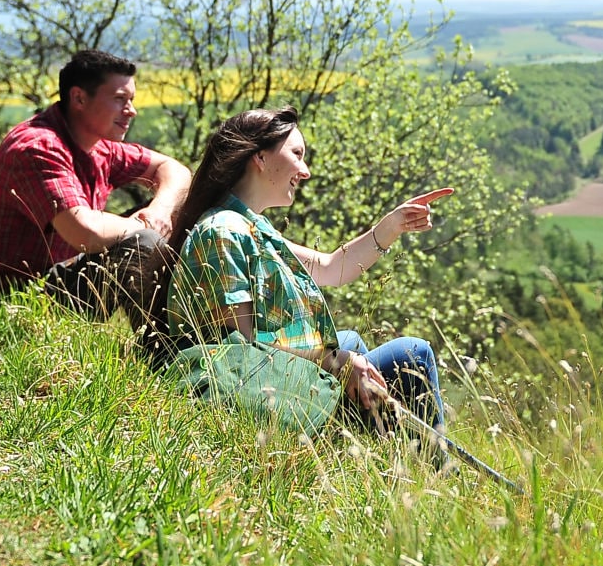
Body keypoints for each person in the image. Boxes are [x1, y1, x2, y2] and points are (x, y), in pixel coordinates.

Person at [146, 106, 450, 434]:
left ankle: (387, 450)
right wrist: (335, 362)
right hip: (258, 392)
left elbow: (331, 267)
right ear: (260, 157)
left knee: (351, 341)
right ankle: (436, 466)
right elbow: (241, 343)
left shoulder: (250, 228)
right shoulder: (225, 231)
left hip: (271, 381)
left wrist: (391, 226)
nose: (304, 170)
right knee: (414, 352)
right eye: (297, 154)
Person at [0, 49, 192, 325]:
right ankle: (163, 357)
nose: (131, 110)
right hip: (4, 303)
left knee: (175, 210)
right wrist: (144, 226)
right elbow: (85, 233)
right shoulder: (38, 147)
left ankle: (194, 340)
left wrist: (159, 212)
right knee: (143, 243)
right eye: (120, 99)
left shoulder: (100, 146)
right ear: (78, 98)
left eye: (132, 100)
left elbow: (174, 170)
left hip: (44, 287)